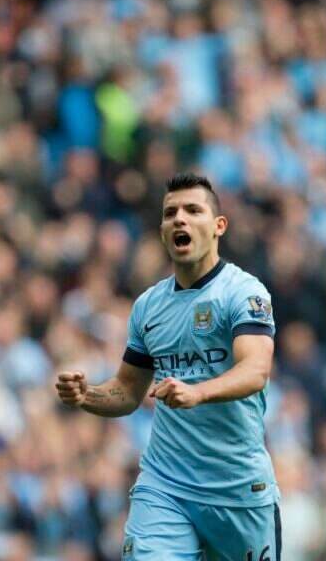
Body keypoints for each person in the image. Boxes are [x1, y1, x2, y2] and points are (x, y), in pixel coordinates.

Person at [55, 172, 281, 560]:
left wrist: (198, 392)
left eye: (193, 210)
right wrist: (86, 395)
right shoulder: (148, 307)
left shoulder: (243, 292)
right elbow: (128, 390)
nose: (180, 219)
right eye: (170, 213)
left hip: (238, 488)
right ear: (162, 231)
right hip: (167, 485)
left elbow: (256, 370)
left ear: (218, 226)